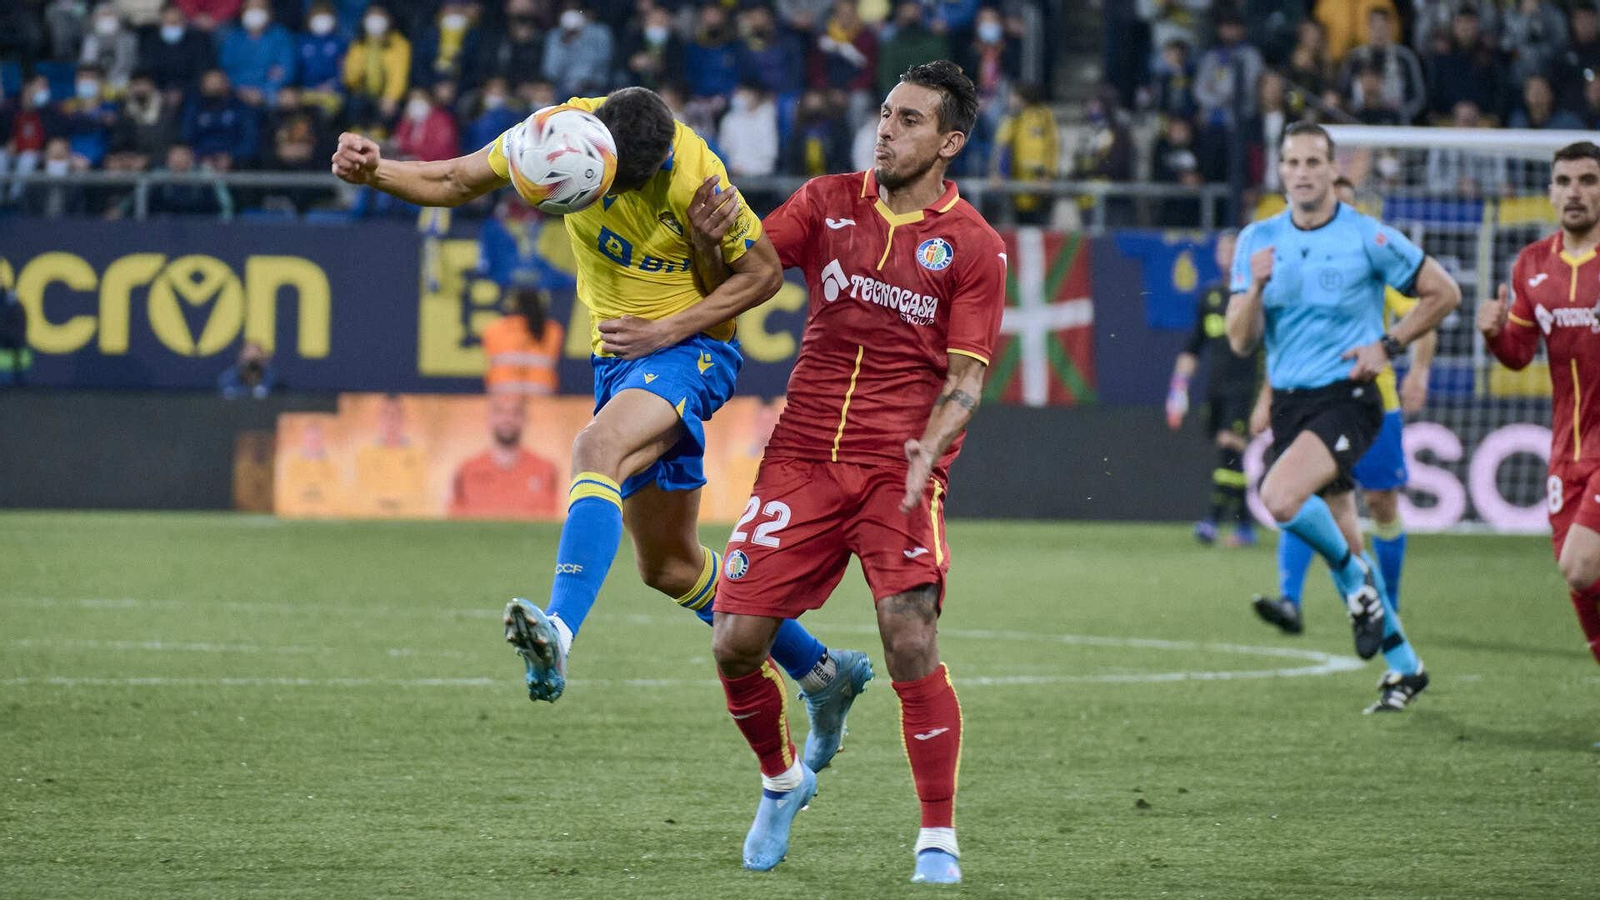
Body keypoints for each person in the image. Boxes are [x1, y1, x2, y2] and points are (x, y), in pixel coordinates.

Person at [329, 85, 874, 770]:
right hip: (619, 355)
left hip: (689, 349)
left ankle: (558, 628)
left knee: (595, 448)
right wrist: (375, 169)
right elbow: (454, 176)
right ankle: (825, 673)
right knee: (670, 566)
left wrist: (667, 328)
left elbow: (763, 276)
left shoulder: (698, 177)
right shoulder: (554, 135)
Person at [630, 61, 1003, 884]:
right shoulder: (826, 201)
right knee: (734, 641)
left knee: (909, 636)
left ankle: (935, 837)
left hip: (896, 468)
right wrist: (704, 230)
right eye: (884, 114)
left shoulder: (974, 245)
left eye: (909, 121)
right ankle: (781, 781)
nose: (885, 130)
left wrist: (929, 447)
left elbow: (967, 380)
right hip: (800, 455)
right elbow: (741, 279)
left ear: (950, 142)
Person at [1226, 122, 1460, 713]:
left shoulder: (1368, 237)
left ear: (1332, 170)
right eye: (1291, 163)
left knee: (1278, 497)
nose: (1302, 172)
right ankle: (1405, 668)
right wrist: (1252, 288)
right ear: (1281, 171)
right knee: (1349, 546)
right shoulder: (1259, 239)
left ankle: (1362, 597)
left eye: (1313, 162)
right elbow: (1238, 339)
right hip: (1291, 404)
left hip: (1350, 397)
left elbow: (1444, 292)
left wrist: (1390, 345)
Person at [1253, 175, 1439, 632]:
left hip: (1368, 404)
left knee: (1379, 502)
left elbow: (1424, 314)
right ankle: (1290, 599)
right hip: (1310, 402)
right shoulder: (1299, 264)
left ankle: (1386, 605)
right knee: (1298, 494)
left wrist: (1417, 369)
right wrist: (1266, 396)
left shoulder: (1371, 258)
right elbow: (1284, 342)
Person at [1478, 140, 1600, 690]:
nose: (1576, 192)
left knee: (1581, 565)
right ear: (1550, 192)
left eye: (1589, 180)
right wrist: (1493, 334)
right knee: (1580, 582)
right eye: (1566, 181)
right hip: (1564, 451)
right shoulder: (1531, 265)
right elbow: (1519, 354)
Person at [1167, 229, 1259, 547]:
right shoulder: (1210, 297)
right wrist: (1178, 391)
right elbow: (1194, 347)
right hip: (1216, 389)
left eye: (1234, 250)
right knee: (1230, 454)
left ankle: (1212, 520)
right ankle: (1245, 526)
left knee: (1228, 445)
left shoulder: (1253, 296)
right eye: (1223, 249)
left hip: (1246, 386)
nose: (1227, 255)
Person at [450, 394, 561, 519]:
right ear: (489, 419)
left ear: (525, 419)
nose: (508, 418)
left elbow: (549, 521)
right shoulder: (467, 470)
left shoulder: (545, 470)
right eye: (500, 412)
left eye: (515, 412)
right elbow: (454, 521)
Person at [482, 287, 563, 396]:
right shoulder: (553, 331)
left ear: (513, 305)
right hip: (541, 389)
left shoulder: (494, 330)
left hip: (503, 390)